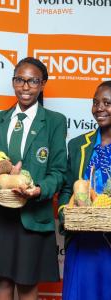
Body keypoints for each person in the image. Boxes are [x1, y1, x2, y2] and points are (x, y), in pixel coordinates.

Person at [0, 57, 67, 300]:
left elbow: (59, 172)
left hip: (32, 214)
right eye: (20, 80)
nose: (25, 86)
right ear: (13, 82)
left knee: (27, 284)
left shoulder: (55, 122)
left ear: (42, 84)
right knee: (2, 281)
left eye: (32, 81)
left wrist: (38, 189)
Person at [58, 80, 111, 300]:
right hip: (81, 241)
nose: (99, 108)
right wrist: (64, 212)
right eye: (95, 102)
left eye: (107, 103)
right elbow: (67, 188)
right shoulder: (78, 144)